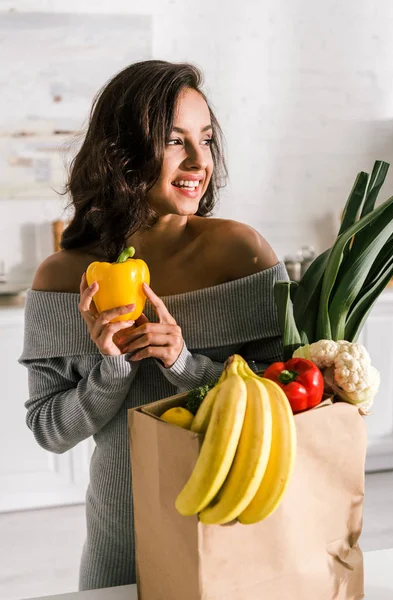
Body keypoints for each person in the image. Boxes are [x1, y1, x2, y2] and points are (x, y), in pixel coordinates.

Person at [19, 60, 288, 590]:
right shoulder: (61, 278)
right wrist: (111, 368)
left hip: (236, 523)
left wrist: (184, 365)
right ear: (122, 152)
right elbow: (50, 431)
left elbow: (287, 398)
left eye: (206, 139)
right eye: (174, 141)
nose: (198, 161)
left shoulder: (243, 253)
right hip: (122, 535)